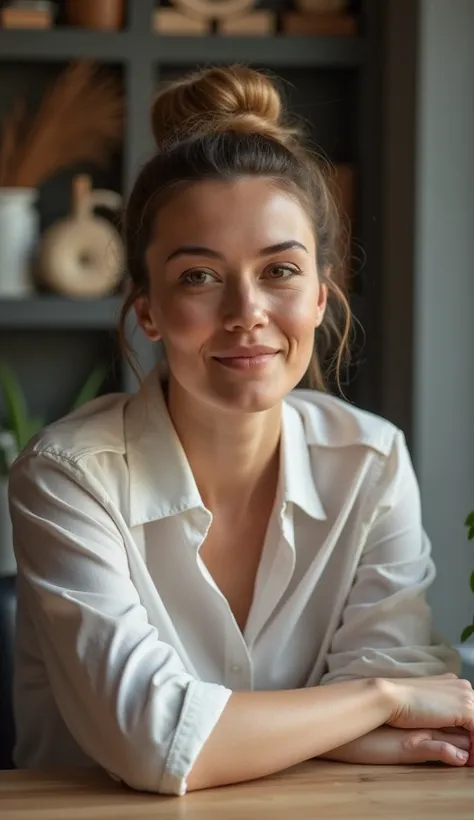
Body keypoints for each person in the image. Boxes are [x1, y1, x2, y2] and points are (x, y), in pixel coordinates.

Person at [9, 65, 474, 797]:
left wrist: (371, 705)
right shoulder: (68, 475)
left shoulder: (371, 460)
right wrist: (378, 701)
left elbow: (412, 708)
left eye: (280, 271)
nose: (246, 311)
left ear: (322, 296)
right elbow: (153, 742)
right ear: (149, 309)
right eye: (199, 276)